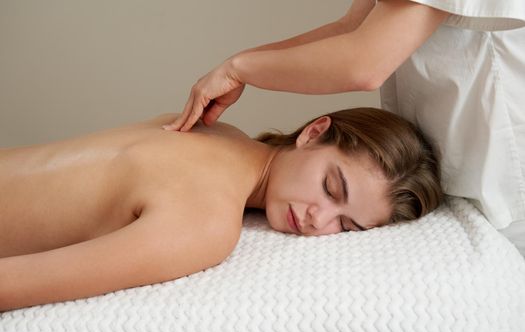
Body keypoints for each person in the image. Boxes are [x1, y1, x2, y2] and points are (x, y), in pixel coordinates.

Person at [163, 0, 525, 256]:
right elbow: (350, 29)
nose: (316, 220)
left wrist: (239, 70)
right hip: (464, 173)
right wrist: (234, 65)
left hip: (509, 177)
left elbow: (364, 65)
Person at [0, 107, 441, 311]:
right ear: (313, 132)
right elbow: (13, 286)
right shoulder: (208, 224)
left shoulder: (218, 129)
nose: (317, 219)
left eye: (346, 226)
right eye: (330, 186)